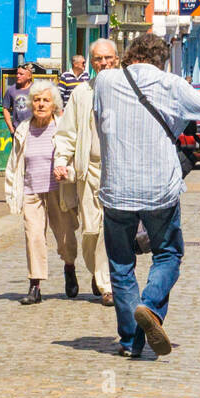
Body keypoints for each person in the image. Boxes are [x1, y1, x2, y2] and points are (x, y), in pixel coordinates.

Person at [94, 32, 200, 357]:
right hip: (159, 190)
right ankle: (151, 307)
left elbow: (100, 123)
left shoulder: (106, 81)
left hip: (117, 189)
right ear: (161, 60)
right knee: (167, 254)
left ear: (130, 54)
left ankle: (130, 341)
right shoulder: (170, 84)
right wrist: (191, 92)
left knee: (121, 265)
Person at [52, 38, 118, 306]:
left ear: (117, 58)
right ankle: (97, 270)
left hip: (118, 171)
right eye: (98, 59)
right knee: (91, 231)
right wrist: (61, 159)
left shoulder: (126, 90)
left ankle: (107, 284)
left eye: (108, 58)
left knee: (109, 229)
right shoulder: (81, 94)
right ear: (91, 62)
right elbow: (66, 132)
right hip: (88, 171)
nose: (103, 63)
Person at [4, 81, 81, 303]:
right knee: (34, 237)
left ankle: (69, 267)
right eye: (37, 100)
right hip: (31, 192)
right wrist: (13, 190)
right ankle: (35, 286)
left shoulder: (61, 128)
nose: (40, 104)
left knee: (65, 237)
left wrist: (68, 172)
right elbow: (15, 163)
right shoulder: (23, 129)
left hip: (59, 191)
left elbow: (72, 157)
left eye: (46, 100)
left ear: (54, 104)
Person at [3, 62, 52, 136]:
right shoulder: (11, 90)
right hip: (18, 131)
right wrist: (11, 129)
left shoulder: (37, 89)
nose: (18, 76)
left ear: (29, 76)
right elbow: (5, 109)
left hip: (35, 130)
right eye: (17, 73)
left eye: (21, 74)